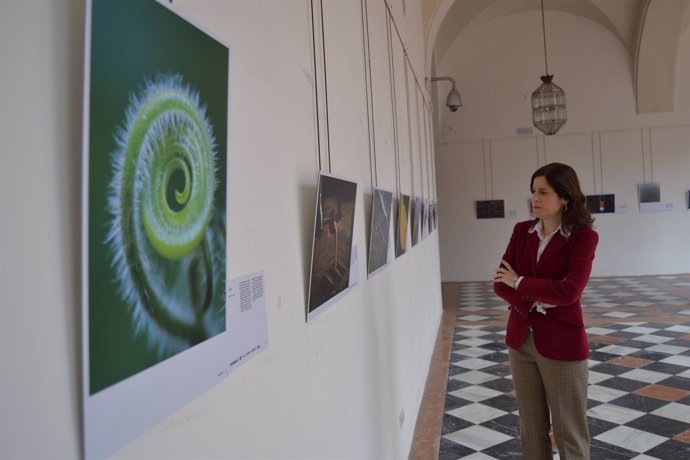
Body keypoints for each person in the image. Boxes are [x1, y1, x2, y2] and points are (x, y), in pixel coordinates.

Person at [493, 162, 598, 460]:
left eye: (543, 192)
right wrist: (537, 299)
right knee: (531, 429)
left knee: (569, 432)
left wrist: (520, 281)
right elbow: (500, 284)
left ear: (565, 197)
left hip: (562, 345)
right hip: (521, 342)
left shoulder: (583, 238)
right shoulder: (521, 231)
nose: (534, 198)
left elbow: (570, 291)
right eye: (532, 191)